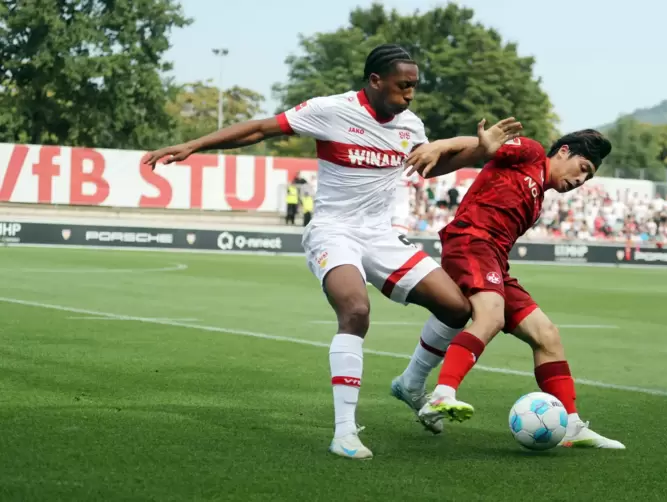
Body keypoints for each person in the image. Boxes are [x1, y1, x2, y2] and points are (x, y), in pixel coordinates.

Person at [142, 43, 524, 460]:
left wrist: (480, 153)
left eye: (413, 87)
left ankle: (411, 384)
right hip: (334, 231)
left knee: (455, 308)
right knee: (356, 312)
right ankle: (344, 431)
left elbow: (428, 165)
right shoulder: (331, 110)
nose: (409, 95)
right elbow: (261, 129)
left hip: (381, 236)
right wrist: (193, 145)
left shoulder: (410, 124)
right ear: (375, 82)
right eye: (403, 86)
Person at [391, 129, 626, 449]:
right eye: (583, 168)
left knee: (547, 335)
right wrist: (442, 145)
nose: (581, 181)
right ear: (563, 152)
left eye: (589, 177)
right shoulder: (530, 153)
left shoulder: (538, 198)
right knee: (490, 317)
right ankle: (442, 395)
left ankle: (571, 424)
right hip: (470, 244)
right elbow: (480, 146)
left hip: (495, 262)